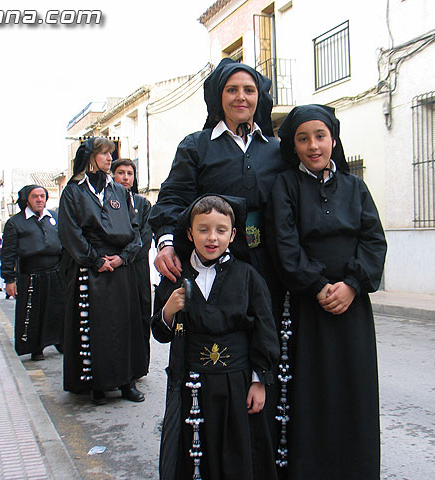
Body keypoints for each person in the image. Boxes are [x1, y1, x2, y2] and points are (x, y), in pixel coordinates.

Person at [149, 58, 287, 445]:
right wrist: (164, 243)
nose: (241, 97)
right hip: (213, 261)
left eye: (249, 90)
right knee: (210, 352)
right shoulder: (196, 146)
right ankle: (201, 446)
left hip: (264, 262)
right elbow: (173, 198)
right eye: (231, 89)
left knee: (262, 345)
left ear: (259, 98)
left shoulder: (276, 149)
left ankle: (256, 452)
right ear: (218, 97)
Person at [267, 105, 387, 479]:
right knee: (312, 392)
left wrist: (351, 286)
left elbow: (373, 241)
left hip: (352, 309)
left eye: (320, 136)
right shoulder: (285, 186)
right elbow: (284, 245)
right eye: (303, 139)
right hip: (308, 306)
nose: (313, 146)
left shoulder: (355, 187)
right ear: (293, 145)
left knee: (355, 391)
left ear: (333, 140)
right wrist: (318, 286)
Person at [152, 194, 279, 480]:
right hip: (191, 384)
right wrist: (169, 309)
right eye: (203, 229)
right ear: (189, 233)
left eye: (221, 230)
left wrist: (259, 381)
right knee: (195, 453)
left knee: (237, 453)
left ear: (233, 234)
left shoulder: (248, 276)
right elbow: (160, 333)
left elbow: (265, 330)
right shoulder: (175, 276)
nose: (212, 238)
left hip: (238, 382)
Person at [58, 137, 148, 405]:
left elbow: (135, 231)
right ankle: (96, 384)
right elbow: (69, 231)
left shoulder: (120, 192)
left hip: (120, 269)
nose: (110, 158)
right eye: (104, 154)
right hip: (90, 269)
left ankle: (126, 382)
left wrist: (122, 258)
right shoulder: (74, 192)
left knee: (125, 325)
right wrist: (95, 260)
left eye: (111, 154)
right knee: (95, 327)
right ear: (90, 158)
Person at [0, 185, 65, 361]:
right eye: (35, 196)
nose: (39, 200)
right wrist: (9, 279)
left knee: (59, 309)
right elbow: (8, 253)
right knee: (34, 312)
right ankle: (36, 348)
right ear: (26, 200)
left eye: (42, 196)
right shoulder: (16, 223)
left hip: (56, 272)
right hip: (31, 275)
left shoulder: (55, 218)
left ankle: (61, 341)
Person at [111, 159, 153, 369]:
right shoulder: (107, 202)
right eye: (121, 173)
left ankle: (139, 365)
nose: (126, 177)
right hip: (113, 270)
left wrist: (126, 257)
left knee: (141, 315)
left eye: (130, 173)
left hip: (136, 268)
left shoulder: (142, 203)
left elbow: (145, 237)